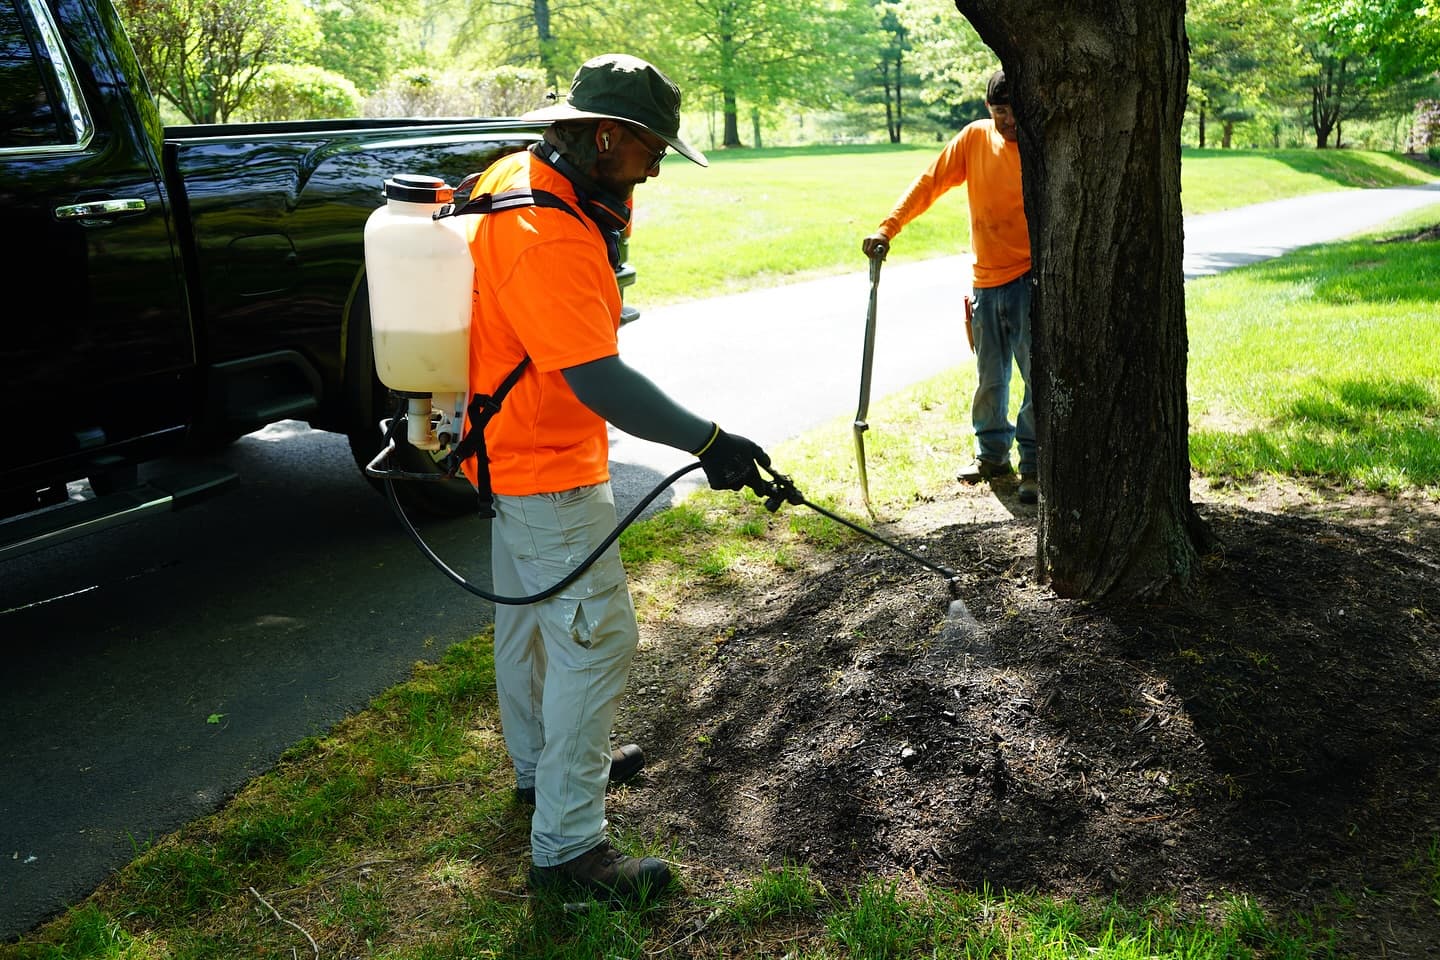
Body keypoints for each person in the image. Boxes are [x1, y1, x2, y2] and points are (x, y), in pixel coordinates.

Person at [460, 53, 771, 904]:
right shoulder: (549, 234)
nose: (658, 164)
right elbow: (596, 379)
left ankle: (539, 771)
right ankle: (568, 849)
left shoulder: (517, 176)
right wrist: (712, 440)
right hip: (546, 466)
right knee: (599, 645)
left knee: (527, 628)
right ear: (603, 137)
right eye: (649, 147)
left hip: (502, 452)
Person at [862, 69, 1037, 505]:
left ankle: (1035, 464)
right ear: (988, 109)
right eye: (1001, 113)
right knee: (989, 378)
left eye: (1016, 113)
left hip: (1031, 279)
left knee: (1038, 376)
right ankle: (993, 457)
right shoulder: (975, 138)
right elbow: (930, 183)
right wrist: (889, 228)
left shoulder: (1041, 144)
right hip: (985, 281)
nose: (1009, 122)